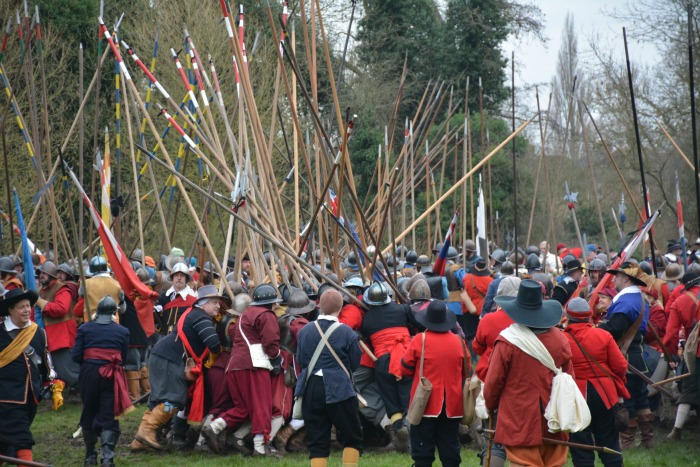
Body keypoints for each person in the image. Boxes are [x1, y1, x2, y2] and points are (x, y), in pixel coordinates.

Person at [484, 279, 573, 467]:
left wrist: (490, 406)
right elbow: (569, 378)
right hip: (554, 417)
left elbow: (493, 383)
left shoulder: (507, 341)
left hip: (519, 420)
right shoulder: (560, 339)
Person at [131, 284, 224, 451]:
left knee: (158, 400)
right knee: (173, 399)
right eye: (215, 302)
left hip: (162, 355)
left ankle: (139, 441)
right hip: (170, 359)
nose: (218, 306)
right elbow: (213, 343)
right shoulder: (201, 317)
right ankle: (147, 432)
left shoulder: (193, 313)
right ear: (203, 303)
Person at [202, 283, 282, 457]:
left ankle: (214, 427)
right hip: (253, 366)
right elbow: (271, 344)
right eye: (274, 302)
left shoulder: (244, 315)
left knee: (242, 409)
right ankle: (260, 449)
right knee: (261, 407)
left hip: (233, 366)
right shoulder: (266, 315)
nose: (276, 306)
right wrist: (277, 359)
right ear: (269, 302)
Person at [295, 289, 363, 467]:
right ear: (340, 308)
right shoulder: (347, 332)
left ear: (318, 306)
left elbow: (301, 360)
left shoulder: (305, 331)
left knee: (317, 440)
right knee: (352, 436)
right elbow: (354, 362)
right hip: (340, 387)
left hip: (312, 387)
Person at [401, 301, 469, 467]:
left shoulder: (419, 340)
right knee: (450, 450)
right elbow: (466, 371)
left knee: (422, 452)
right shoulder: (459, 341)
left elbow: (405, 369)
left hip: (425, 403)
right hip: (452, 404)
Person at [563, 298, 629, 467]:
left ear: (568, 316)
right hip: (604, 395)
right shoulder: (603, 334)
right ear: (589, 315)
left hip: (576, 395)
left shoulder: (562, 339)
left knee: (581, 444)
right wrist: (618, 384)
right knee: (609, 442)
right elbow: (621, 365)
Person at [72, 296, 132, 466]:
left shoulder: (84, 328)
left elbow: (76, 355)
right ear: (114, 313)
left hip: (89, 372)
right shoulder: (123, 331)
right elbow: (123, 358)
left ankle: (90, 456)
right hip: (112, 374)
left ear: (97, 312)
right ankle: (107, 458)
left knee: (89, 410)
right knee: (108, 413)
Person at [599, 262, 652, 449]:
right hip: (636, 354)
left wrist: (598, 329)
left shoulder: (626, 302)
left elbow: (614, 329)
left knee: (628, 399)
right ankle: (648, 440)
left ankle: (627, 443)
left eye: (617, 276)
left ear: (626, 278)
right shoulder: (638, 298)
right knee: (641, 398)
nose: (614, 279)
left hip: (625, 355)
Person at [0, 288, 53, 465]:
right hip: (5, 398)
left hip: (31, 396)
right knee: (22, 438)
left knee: (4, 440)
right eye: (21, 307)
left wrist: (51, 381)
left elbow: (44, 360)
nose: (26, 310)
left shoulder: (38, 332)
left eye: (28, 306)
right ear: (10, 310)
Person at [360, 282, 413, 452]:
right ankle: (407, 427)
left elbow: (368, 338)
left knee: (390, 399)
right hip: (405, 357)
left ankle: (398, 430)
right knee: (408, 397)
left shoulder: (366, 319)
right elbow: (413, 327)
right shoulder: (403, 309)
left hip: (382, 361)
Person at [272, 290, 316, 453]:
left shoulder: (283, 318)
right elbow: (308, 344)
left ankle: (294, 440)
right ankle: (282, 437)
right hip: (291, 364)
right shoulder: (300, 324)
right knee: (298, 403)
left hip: (283, 360)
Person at [35, 260, 80, 387]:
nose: (41, 275)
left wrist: (42, 303)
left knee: (68, 368)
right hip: (49, 333)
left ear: (51, 275)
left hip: (62, 334)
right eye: (40, 273)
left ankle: (78, 390)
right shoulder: (42, 290)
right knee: (55, 368)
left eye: (44, 273)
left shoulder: (62, 288)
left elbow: (61, 309)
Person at [154, 262, 197, 337]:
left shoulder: (193, 298)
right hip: (165, 339)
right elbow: (155, 317)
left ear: (186, 279)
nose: (179, 278)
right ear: (172, 278)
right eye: (176, 275)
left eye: (182, 275)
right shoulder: (163, 297)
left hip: (185, 339)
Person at [81, 256, 124, 323]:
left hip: (91, 322)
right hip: (113, 322)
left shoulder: (86, 284)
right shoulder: (117, 285)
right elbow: (123, 309)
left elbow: (80, 294)